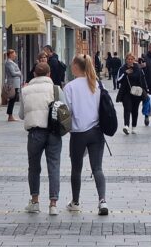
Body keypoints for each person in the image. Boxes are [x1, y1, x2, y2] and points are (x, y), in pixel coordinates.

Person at [63, 55, 109, 215]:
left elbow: (66, 112)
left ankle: (75, 202)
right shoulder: (96, 84)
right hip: (97, 132)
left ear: (76, 67)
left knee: (76, 169)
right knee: (97, 168)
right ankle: (102, 201)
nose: (70, 67)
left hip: (78, 133)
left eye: (71, 65)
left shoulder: (70, 87)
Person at [19, 62, 64, 216]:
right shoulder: (56, 89)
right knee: (54, 166)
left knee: (34, 168)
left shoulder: (25, 90)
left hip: (35, 133)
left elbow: (21, 115)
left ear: (34, 74)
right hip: (53, 132)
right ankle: (53, 204)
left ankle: (35, 201)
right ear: (49, 74)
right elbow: (65, 110)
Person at [116, 53, 148, 135]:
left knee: (135, 110)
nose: (130, 61)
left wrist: (145, 90)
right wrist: (125, 73)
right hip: (126, 92)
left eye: (131, 59)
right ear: (126, 60)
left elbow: (142, 79)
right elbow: (118, 80)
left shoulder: (138, 68)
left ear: (134, 60)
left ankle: (134, 126)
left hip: (136, 92)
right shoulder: (122, 68)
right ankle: (126, 126)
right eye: (128, 59)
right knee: (127, 108)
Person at [5, 49, 22, 122]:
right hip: (13, 83)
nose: (15, 55)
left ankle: (10, 115)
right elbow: (13, 73)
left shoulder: (11, 62)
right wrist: (19, 73)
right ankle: (10, 116)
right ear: (10, 54)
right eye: (14, 54)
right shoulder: (9, 63)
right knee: (12, 99)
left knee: (13, 99)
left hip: (15, 83)